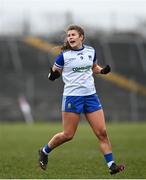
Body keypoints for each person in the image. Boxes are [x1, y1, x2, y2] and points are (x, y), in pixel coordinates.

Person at [38, 25, 125, 175]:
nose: (70, 37)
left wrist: (102, 71)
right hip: (72, 97)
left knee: (102, 133)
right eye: (68, 35)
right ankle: (44, 151)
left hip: (91, 96)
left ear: (81, 37)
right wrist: (52, 75)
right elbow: (53, 74)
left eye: (73, 35)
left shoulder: (91, 51)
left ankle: (112, 166)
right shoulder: (64, 56)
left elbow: (94, 67)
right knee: (68, 135)